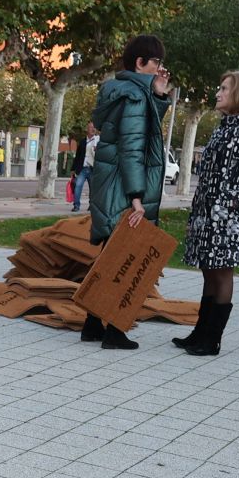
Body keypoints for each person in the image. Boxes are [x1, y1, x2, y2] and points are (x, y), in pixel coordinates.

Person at [175, 71, 239, 357]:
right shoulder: (224, 125)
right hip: (206, 210)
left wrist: (230, 201)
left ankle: (212, 339)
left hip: (227, 215)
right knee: (207, 269)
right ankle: (199, 333)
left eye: (224, 88)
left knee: (222, 271)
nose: (218, 93)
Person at [84, 34, 172, 350]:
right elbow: (133, 147)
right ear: (140, 63)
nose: (161, 69)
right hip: (124, 188)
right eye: (156, 62)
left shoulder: (124, 92)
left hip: (110, 185)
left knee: (109, 255)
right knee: (124, 259)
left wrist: (159, 97)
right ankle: (114, 331)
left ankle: (93, 325)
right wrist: (137, 197)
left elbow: (141, 130)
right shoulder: (134, 96)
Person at [72, 123, 98, 213]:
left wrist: (97, 150)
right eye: (91, 127)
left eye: (94, 127)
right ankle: (76, 205)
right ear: (87, 129)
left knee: (93, 188)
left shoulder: (98, 140)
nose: (93, 129)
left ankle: (92, 205)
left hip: (92, 168)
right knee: (78, 186)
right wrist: (73, 168)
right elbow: (78, 156)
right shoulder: (83, 142)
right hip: (83, 168)